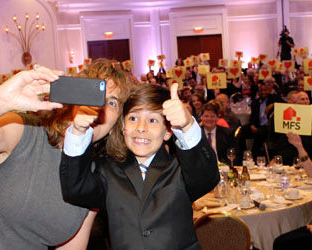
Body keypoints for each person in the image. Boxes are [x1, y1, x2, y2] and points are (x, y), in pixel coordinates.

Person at [0, 60, 132, 249]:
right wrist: (1, 100)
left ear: (116, 123)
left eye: (112, 102)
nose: (99, 105)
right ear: (72, 96)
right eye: (94, 92)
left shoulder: (93, 177)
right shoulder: (24, 130)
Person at [59, 83, 219, 250]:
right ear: (123, 126)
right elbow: (75, 188)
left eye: (152, 120)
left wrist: (187, 126)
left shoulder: (181, 170)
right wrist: (77, 132)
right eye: (133, 118)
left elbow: (207, 177)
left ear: (168, 132)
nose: (141, 128)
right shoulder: (108, 171)